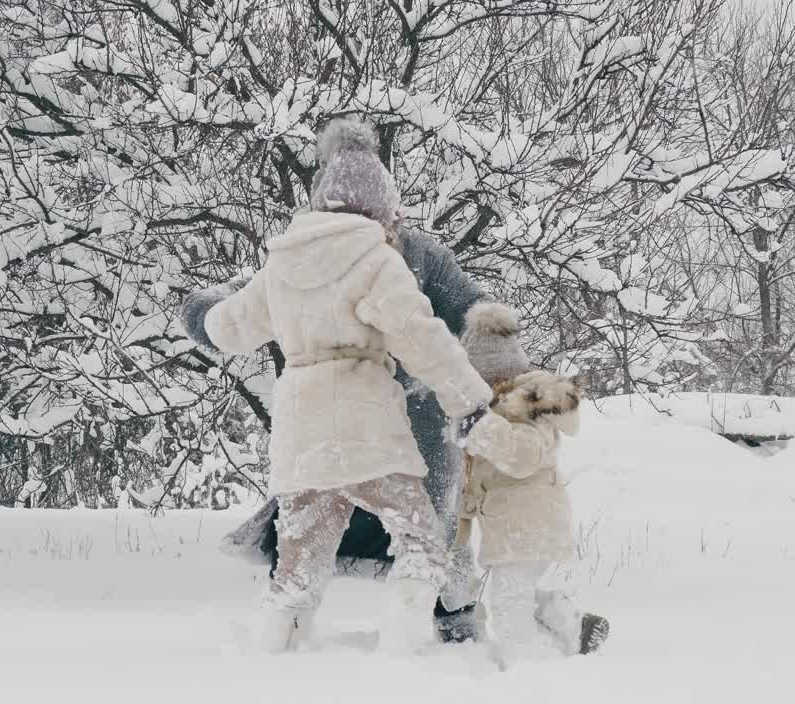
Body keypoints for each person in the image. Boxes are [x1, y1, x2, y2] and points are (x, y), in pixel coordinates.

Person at [189, 117, 492, 652]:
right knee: (421, 538)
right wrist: (469, 399)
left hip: (302, 436)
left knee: (299, 558)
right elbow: (421, 337)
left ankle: (273, 651)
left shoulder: (281, 263)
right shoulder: (378, 258)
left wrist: (198, 315)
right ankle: (402, 645)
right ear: (381, 206)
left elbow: (231, 325)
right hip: (369, 429)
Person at [455, 304, 611, 663]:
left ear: (494, 379)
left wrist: (479, 429)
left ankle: (528, 666)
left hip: (527, 525)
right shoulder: (503, 415)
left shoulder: (527, 411)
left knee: (508, 604)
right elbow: (488, 476)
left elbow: (521, 458)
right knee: (515, 594)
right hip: (518, 525)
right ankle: (569, 622)